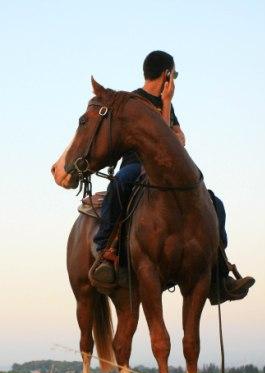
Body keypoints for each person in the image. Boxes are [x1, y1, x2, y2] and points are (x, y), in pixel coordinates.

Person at [90, 50, 254, 299]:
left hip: (169, 169)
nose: (174, 79)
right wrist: (166, 111)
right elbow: (165, 139)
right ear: (167, 75)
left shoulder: (168, 106)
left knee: (214, 202)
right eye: (174, 74)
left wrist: (168, 111)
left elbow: (177, 140)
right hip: (138, 164)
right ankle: (106, 252)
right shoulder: (133, 102)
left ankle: (220, 271)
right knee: (121, 183)